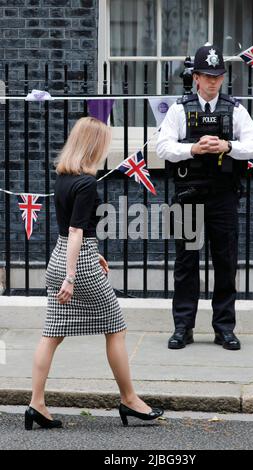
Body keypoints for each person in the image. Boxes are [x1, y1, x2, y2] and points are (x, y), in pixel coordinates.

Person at [25, 117, 163, 430]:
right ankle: (129, 399)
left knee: (51, 335)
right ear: (93, 145)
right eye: (103, 143)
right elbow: (76, 230)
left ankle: (36, 403)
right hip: (76, 264)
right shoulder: (86, 183)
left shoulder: (63, 177)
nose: (106, 148)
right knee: (116, 327)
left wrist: (91, 253)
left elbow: (72, 230)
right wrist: (72, 276)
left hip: (60, 257)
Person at [156, 44, 253, 351]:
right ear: (196, 78)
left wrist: (227, 146)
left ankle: (224, 328)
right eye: (207, 75)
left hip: (224, 196)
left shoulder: (235, 109)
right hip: (188, 195)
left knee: (225, 262)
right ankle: (183, 327)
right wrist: (193, 149)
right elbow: (163, 148)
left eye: (218, 75)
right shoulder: (179, 109)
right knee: (186, 263)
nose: (213, 81)